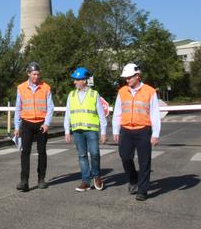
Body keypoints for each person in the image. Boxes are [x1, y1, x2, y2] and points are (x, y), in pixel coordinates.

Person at [112, 63, 161, 201]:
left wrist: (155, 134)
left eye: (129, 77)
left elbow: (155, 114)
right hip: (126, 130)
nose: (127, 80)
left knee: (145, 162)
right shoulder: (122, 91)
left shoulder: (150, 91)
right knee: (125, 157)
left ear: (137, 76)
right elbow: (117, 112)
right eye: (125, 78)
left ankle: (143, 190)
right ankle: (133, 180)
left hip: (143, 131)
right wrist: (116, 130)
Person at [63, 67, 107, 192]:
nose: (74, 82)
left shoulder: (94, 94)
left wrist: (103, 132)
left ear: (83, 80)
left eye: (76, 80)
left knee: (94, 154)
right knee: (82, 155)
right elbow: (68, 114)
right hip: (77, 131)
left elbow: (101, 115)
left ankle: (97, 176)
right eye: (75, 80)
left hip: (91, 130)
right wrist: (67, 130)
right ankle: (86, 181)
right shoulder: (71, 95)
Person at [14, 61, 54, 191]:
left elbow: (50, 107)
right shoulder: (21, 88)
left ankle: (41, 179)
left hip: (42, 124)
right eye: (34, 74)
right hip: (27, 123)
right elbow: (18, 108)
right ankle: (24, 181)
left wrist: (47, 123)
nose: (36, 77)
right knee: (25, 152)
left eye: (38, 74)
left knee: (42, 152)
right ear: (28, 74)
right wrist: (16, 126)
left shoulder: (46, 87)